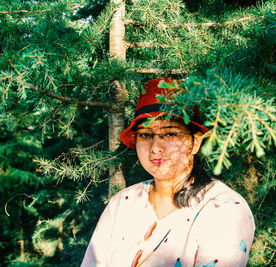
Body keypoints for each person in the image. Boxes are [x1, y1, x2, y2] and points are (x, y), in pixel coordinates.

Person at [81, 78, 255, 267]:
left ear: (195, 142)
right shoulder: (123, 203)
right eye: (146, 135)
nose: (155, 147)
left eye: (170, 133)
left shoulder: (224, 208)